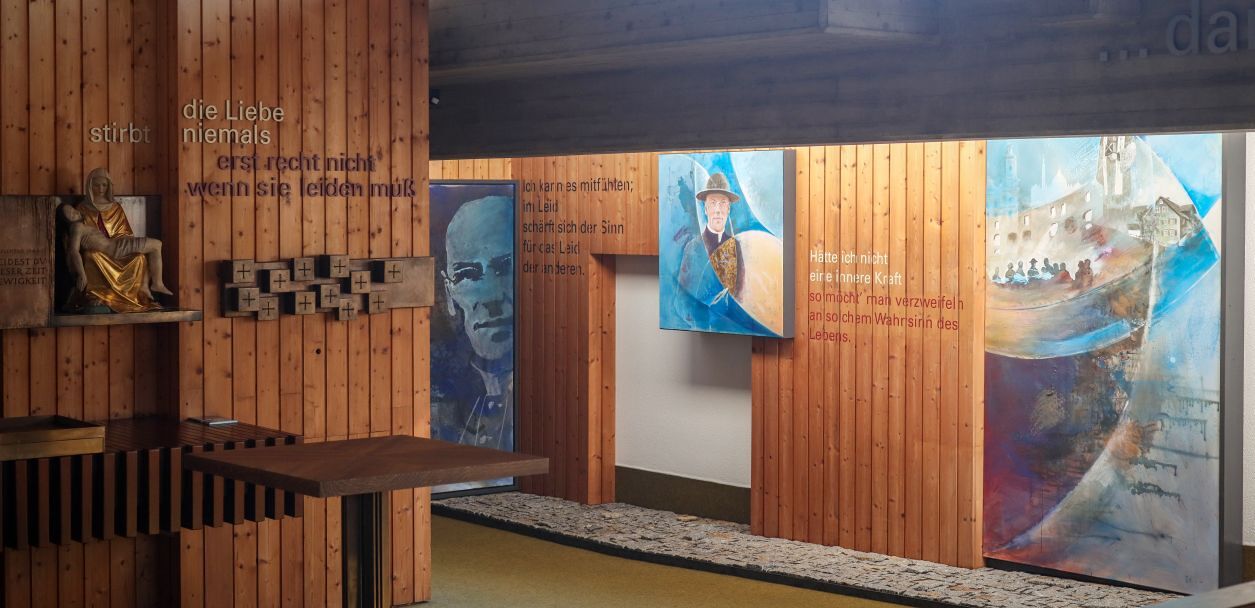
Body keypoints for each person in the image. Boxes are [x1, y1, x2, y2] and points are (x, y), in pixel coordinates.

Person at [434, 195, 514, 452]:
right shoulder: (436, 399)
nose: (491, 297)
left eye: (505, 267)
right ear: (450, 294)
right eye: (467, 275)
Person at [65, 168, 167, 312]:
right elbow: (73, 247)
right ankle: (97, 295)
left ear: (109, 186)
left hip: (119, 245)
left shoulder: (115, 207)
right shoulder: (81, 210)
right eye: (97, 185)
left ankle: (142, 292)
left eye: (104, 185)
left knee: (139, 257)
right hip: (99, 252)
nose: (101, 189)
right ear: (90, 186)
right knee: (90, 256)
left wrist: (121, 242)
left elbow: (125, 232)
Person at [61, 204, 169, 301]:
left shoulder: (83, 226)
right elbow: (73, 251)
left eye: (72, 209)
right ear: (67, 221)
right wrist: (81, 274)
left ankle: (145, 286)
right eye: (69, 214)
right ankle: (157, 284)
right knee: (156, 245)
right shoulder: (76, 227)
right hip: (116, 249)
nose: (74, 212)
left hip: (118, 243)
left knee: (153, 246)